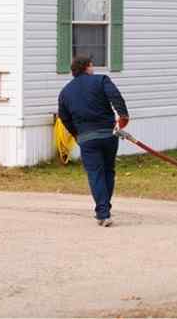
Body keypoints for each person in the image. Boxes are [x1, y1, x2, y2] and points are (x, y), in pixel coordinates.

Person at [58, 56, 129, 227]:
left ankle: (103, 212)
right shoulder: (101, 80)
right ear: (87, 67)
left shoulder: (65, 92)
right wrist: (123, 116)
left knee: (95, 174)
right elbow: (116, 96)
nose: (93, 69)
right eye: (92, 66)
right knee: (108, 171)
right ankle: (104, 210)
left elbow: (64, 117)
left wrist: (76, 134)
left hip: (87, 138)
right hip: (108, 134)